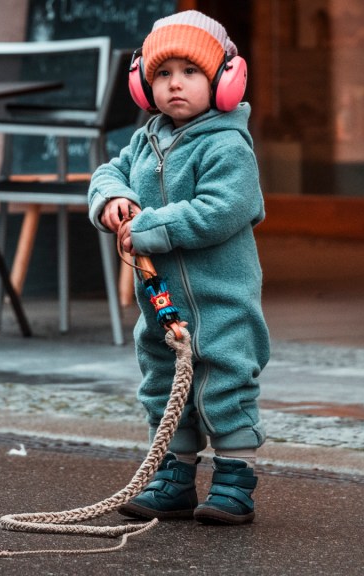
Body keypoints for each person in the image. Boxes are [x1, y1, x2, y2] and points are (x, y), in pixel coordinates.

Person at [88, 10, 269, 526]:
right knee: (165, 383)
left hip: (221, 302)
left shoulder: (228, 144)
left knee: (224, 382)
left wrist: (151, 227)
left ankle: (235, 482)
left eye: (190, 72)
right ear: (145, 85)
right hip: (162, 305)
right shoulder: (147, 138)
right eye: (162, 74)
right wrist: (113, 199)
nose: (174, 85)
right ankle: (174, 478)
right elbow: (108, 171)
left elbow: (222, 209)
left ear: (224, 80)